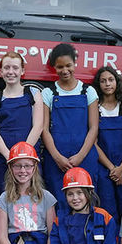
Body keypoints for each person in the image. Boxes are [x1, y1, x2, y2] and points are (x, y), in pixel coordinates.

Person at [41, 43, 99, 209]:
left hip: (85, 156)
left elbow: (94, 128)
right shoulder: (49, 93)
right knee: (58, 202)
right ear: (54, 67)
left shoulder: (88, 91)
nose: (64, 70)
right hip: (56, 159)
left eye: (68, 65)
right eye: (59, 67)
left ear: (75, 63)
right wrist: (57, 157)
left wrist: (81, 155)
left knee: (87, 200)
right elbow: (44, 129)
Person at [0, 51, 44, 199]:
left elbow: (38, 126)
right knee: (6, 196)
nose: (10, 72)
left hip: (29, 155)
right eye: (6, 68)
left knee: (32, 195)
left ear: (22, 71)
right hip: (3, 156)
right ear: (0, 71)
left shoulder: (33, 94)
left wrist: (24, 155)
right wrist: (9, 155)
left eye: (15, 68)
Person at [92, 66, 122, 221]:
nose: (107, 84)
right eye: (103, 81)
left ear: (117, 82)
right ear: (98, 84)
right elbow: (94, 143)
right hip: (103, 166)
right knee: (106, 206)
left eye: (111, 80)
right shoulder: (95, 109)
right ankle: (110, 242)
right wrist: (112, 169)